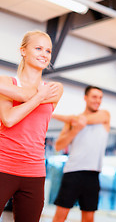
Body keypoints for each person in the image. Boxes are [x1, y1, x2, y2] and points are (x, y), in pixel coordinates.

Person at [0, 30, 63, 222]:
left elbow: (26, 96)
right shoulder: (6, 81)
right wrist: (39, 96)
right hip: (3, 165)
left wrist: (36, 95)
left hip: (34, 172)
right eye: (38, 48)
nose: (44, 54)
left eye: (48, 51)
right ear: (23, 51)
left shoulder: (55, 88)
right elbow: (9, 119)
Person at [52, 85, 110, 222]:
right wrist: (75, 130)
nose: (98, 100)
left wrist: (54, 115)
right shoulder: (72, 122)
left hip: (93, 174)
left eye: (100, 98)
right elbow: (59, 145)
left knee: (88, 218)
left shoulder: (104, 115)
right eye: (94, 97)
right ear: (85, 98)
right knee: (60, 216)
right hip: (73, 172)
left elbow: (84, 120)